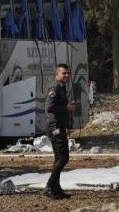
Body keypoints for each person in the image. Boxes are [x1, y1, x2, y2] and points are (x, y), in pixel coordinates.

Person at [44, 63, 74, 199]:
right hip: (54, 126)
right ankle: (50, 186)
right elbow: (49, 108)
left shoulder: (62, 88)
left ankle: (56, 188)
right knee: (63, 157)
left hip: (59, 125)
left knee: (58, 158)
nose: (67, 75)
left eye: (68, 73)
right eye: (64, 73)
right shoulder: (55, 88)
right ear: (57, 74)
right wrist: (66, 108)